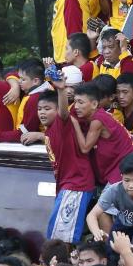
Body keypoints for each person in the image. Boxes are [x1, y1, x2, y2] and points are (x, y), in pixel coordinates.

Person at [39, 78, 96, 243]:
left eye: (47, 108)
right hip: (68, 185)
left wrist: (61, 90)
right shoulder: (49, 130)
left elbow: (64, 112)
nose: (42, 112)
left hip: (77, 184)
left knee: (61, 238)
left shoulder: (61, 122)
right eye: (40, 109)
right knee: (58, 233)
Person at [70, 82, 133, 185]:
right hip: (117, 164)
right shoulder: (92, 115)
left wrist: (75, 124)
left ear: (94, 104)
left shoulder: (98, 120)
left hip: (127, 165)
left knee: (106, 200)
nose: (76, 106)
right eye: (75, 101)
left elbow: (85, 148)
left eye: (80, 102)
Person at [86, 153, 133, 239]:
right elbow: (92, 215)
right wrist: (97, 232)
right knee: (111, 246)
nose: (131, 185)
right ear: (121, 177)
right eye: (127, 180)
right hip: (122, 223)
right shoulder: (114, 190)